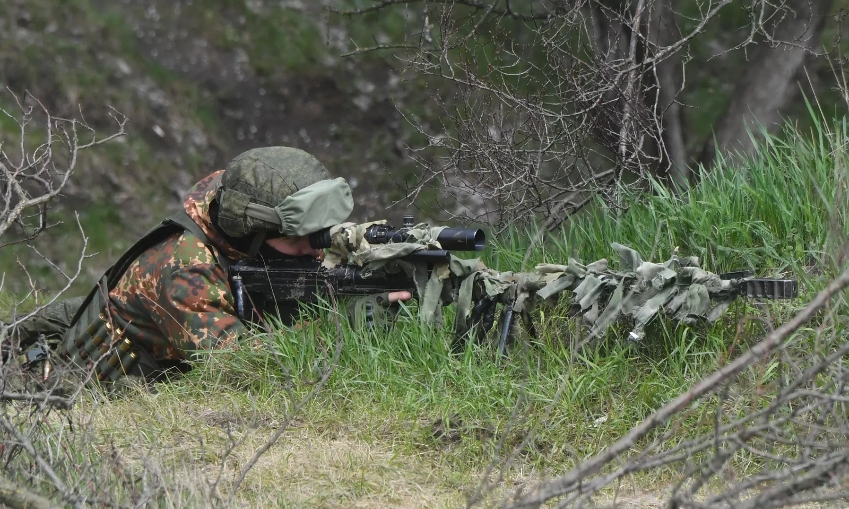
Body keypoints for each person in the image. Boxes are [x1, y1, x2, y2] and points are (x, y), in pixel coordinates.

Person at [12, 146, 411, 382]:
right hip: (83, 389)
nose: (316, 250)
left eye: (322, 234)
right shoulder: (185, 267)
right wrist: (344, 324)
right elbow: (239, 365)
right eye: (300, 239)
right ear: (253, 230)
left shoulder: (233, 228)